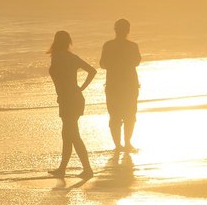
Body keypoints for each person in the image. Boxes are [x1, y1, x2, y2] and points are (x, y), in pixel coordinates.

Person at [47, 30, 96, 178]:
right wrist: (81, 88)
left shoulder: (56, 57)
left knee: (72, 135)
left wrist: (75, 89)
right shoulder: (72, 57)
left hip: (68, 100)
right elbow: (92, 71)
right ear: (68, 42)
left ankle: (87, 169)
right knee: (68, 134)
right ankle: (63, 168)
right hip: (74, 98)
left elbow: (59, 79)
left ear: (56, 42)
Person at [99, 19, 142, 153]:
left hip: (113, 85)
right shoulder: (133, 46)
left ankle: (118, 145)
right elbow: (137, 62)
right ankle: (127, 143)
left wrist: (114, 64)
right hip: (130, 85)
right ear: (128, 30)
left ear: (115, 29)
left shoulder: (108, 45)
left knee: (115, 115)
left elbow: (102, 64)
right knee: (130, 114)